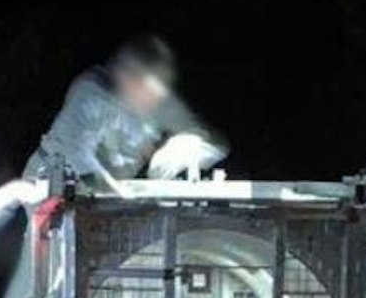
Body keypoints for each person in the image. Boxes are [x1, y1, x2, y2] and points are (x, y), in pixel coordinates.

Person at [23, 34, 226, 186]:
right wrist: (121, 198)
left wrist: (189, 147)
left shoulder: (159, 97)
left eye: (154, 94)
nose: (149, 103)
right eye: (140, 89)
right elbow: (79, 159)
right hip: (49, 181)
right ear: (124, 77)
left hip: (113, 193)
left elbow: (213, 142)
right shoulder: (90, 94)